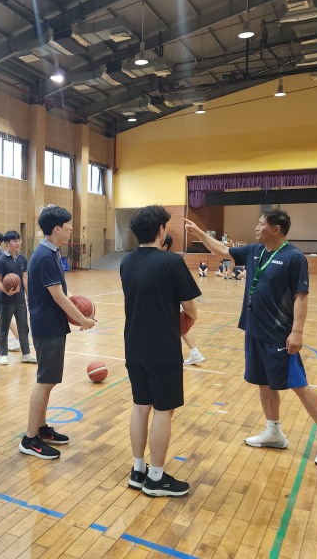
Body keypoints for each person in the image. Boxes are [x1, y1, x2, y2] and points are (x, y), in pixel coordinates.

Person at [183, 210, 317, 467]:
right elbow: (222, 251)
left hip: (280, 335)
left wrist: (298, 331)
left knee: (298, 384)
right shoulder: (255, 251)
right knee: (263, 383)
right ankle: (274, 431)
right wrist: (200, 233)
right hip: (254, 330)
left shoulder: (293, 258)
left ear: (276, 229)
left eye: (261, 224)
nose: (256, 228)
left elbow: (301, 297)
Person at [121, 211, 200, 496]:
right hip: (163, 345)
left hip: (133, 343)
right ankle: (156, 478)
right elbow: (190, 309)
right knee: (163, 410)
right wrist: (182, 321)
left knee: (141, 405)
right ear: (161, 230)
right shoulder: (171, 261)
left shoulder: (126, 261)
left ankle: (138, 469)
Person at [19, 206, 94, 460]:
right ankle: (30, 439)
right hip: (46, 326)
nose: (72, 228)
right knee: (45, 381)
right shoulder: (44, 255)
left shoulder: (49, 252)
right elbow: (58, 296)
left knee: (48, 380)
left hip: (50, 324)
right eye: (69, 225)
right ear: (56, 229)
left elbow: (63, 291)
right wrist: (83, 319)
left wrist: (79, 306)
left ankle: (40, 429)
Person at [161, 235, 206, 367]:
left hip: (172, 302)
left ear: (165, 246)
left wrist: (192, 314)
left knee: (179, 326)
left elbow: (186, 295)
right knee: (182, 326)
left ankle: (187, 354)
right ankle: (195, 352)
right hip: (171, 301)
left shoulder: (170, 261)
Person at [0, 230, 35, 365]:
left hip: (20, 300)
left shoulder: (22, 258)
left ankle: (26, 354)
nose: (17, 243)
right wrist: (6, 292)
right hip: (6, 300)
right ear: (7, 243)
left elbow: (25, 278)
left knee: (24, 327)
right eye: (14, 241)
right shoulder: (1, 260)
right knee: (4, 327)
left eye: (19, 240)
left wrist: (29, 295)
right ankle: (3, 354)